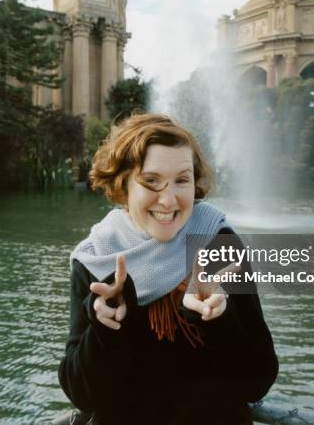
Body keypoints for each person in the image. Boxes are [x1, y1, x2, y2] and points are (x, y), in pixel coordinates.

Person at [58, 114, 278, 425]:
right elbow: (82, 395)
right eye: (151, 181)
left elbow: (258, 380)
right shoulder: (96, 260)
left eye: (182, 180)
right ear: (123, 186)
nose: (169, 199)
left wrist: (216, 317)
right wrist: (104, 327)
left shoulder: (218, 243)